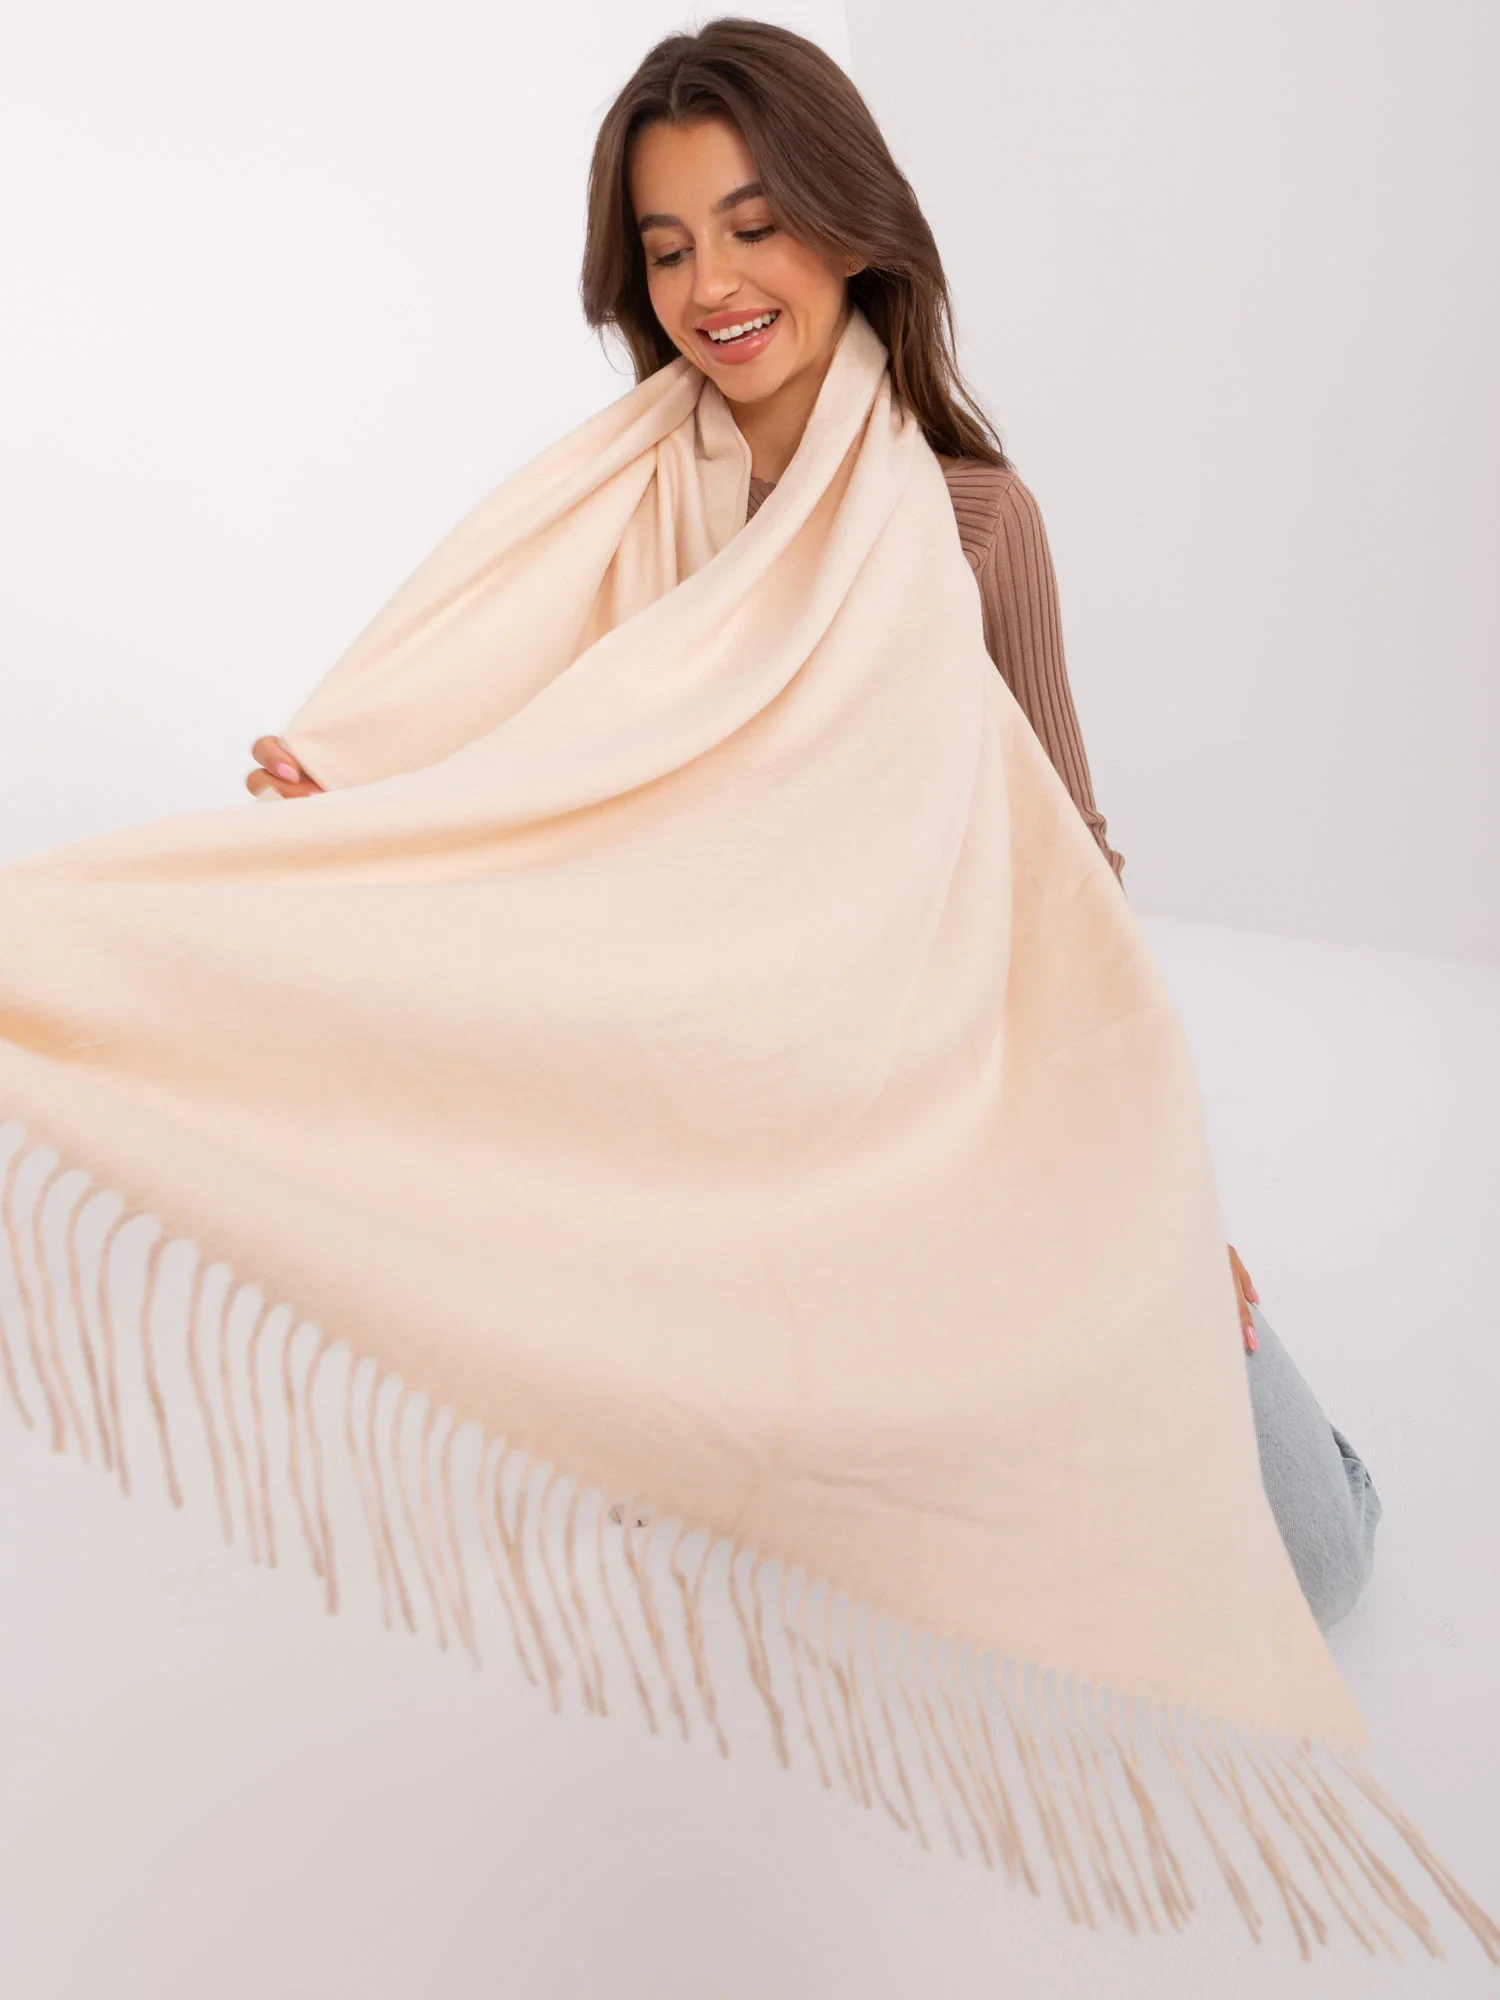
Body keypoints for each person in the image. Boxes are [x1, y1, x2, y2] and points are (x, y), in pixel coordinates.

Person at [243, 18, 1379, 1629]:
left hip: (971, 1102)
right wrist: (349, 804)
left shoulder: (972, 523)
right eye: (668, 248)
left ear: (852, 228)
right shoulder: (614, 529)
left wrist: (1169, 1199)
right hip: (729, 1135)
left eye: (756, 224)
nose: (712, 284)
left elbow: (1073, 885)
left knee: (1313, 1559)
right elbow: (512, 802)